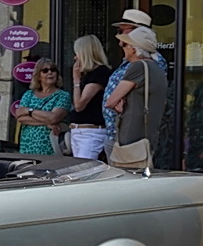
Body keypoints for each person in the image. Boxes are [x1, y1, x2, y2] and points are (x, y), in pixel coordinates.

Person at [106, 26, 166, 169]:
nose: (122, 47)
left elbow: (110, 101)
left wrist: (119, 100)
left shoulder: (138, 66)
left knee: (126, 179)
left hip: (131, 135)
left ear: (134, 48)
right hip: (147, 135)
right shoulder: (157, 68)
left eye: (126, 44)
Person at [67, 35, 112, 159]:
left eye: (78, 54)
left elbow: (79, 105)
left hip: (91, 132)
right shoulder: (87, 74)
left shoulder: (100, 73)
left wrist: (76, 81)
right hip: (78, 131)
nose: (75, 58)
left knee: (84, 170)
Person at [14, 57, 70, 155]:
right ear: (38, 76)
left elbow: (53, 118)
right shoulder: (29, 94)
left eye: (53, 70)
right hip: (27, 148)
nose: (50, 73)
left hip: (50, 149)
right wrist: (46, 123)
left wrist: (29, 111)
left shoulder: (63, 96)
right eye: (45, 70)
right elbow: (20, 117)